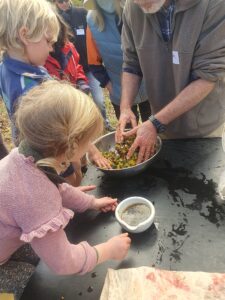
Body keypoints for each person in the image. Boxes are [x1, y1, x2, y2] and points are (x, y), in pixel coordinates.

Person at [0, 80, 131, 296]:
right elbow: (63, 262)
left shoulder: (26, 157)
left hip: (7, 234)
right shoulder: (36, 195)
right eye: (89, 141)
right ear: (71, 148)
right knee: (33, 284)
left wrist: (92, 203)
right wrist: (107, 250)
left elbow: (57, 187)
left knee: (39, 256)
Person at [116, 0, 225, 164]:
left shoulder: (214, 5)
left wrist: (156, 122)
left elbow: (207, 75)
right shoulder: (133, 7)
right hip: (161, 125)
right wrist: (125, 108)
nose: (139, 5)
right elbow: (131, 62)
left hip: (204, 129)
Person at [85, 0, 151, 123]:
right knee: (128, 133)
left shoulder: (136, 11)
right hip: (119, 90)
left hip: (148, 86)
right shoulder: (92, 21)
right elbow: (94, 62)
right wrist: (109, 85)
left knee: (154, 130)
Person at [53, 0, 114, 131]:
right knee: (80, 104)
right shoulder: (55, 18)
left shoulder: (82, 13)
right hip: (72, 72)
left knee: (98, 99)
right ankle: (86, 129)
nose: (63, 3)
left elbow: (94, 34)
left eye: (65, 0)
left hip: (89, 67)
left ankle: (105, 123)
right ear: (55, 3)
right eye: (59, 2)